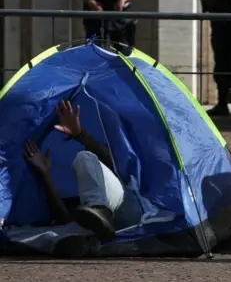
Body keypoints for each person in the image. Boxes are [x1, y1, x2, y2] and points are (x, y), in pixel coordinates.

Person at [21, 101, 143, 257]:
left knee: (84, 157)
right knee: (44, 232)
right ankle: (79, 242)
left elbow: (116, 168)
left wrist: (80, 135)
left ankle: (101, 210)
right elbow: (66, 219)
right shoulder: (77, 206)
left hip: (126, 208)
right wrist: (45, 174)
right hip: (96, 227)